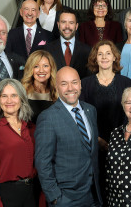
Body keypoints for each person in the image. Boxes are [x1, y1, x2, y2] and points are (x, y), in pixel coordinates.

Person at [35, 66, 102, 206]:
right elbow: (42, 162)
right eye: (64, 84)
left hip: (93, 194)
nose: (70, 88)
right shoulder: (48, 118)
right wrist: (55, 197)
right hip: (66, 198)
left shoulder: (90, 110)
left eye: (74, 82)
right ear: (56, 87)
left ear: (80, 84)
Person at [80, 40, 131, 201]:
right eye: (100, 54)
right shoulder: (85, 84)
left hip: (121, 146)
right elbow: (81, 116)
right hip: (93, 145)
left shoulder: (126, 83)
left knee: (118, 192)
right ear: (95, 58)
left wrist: (119, 141)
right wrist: (98, 140)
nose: (104, 57)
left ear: (115, 57)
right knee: (97, 191)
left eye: (108, 53)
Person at [0, 79, 40, 207]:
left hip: (31, 192)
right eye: (4, 96)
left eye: (14, 95)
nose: (9, 101)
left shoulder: (31, 128)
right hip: (7, 194)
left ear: (21, 99)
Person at [41, 8, 90, 79]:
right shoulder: (47, 50)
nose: (67, 26)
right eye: (63, 22)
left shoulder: (87, 51)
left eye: (71, 23)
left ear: (76, 26)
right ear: (58, 25)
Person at [21, 50, 58, 124]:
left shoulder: (57, 92)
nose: (41, 70)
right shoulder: (22, 92)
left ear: (51, 68)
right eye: (36, 66)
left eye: (45, 66)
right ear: (30, 69)